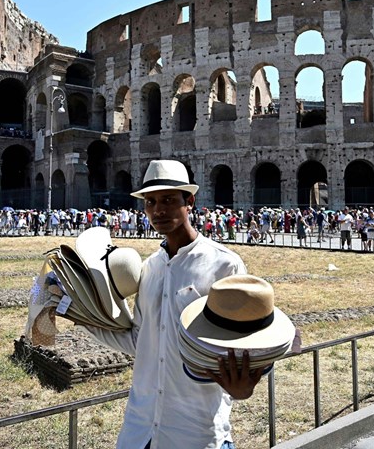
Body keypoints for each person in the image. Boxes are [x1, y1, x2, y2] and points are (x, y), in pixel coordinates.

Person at [84, 160, 265, 449]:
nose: (158, 210)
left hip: (197, 433)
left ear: (189, 202)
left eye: (168, 200)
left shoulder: (224, 265)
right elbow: (140, 340)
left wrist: (245, 387)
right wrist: (81, 315)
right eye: (150, 202)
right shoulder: (149, 268)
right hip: (140, 430)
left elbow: (246, 341)